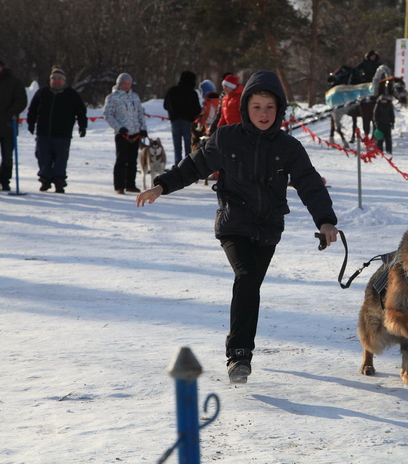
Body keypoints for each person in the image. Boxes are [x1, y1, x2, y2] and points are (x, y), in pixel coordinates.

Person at [136, 70, 339, 384]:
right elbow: (194, 165)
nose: (263, 114)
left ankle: (241, 349)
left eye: (270, 108)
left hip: (269, 228)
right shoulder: (227, 137)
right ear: (246, 108)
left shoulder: (289, 147)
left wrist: (326, 221)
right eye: (257, 107)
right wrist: (161, 186)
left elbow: (310, 185)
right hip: (234, 224)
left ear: (279, 110)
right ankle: (239, 356)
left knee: (251, 286)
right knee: (245, 279)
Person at [27, 66, 87, 193]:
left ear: (64, 81)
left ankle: (59, 182)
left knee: (60, 159)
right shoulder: (42, 93)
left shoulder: (72, 94)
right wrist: (31, 123)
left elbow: (81, 111)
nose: (57, 81)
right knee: (43, 157)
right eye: (54, 79)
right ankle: (45, 180)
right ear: (50, 80)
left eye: (59, 79)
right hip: (43, 132)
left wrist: (83, 126)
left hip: (63, 134)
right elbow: (32, 109)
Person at [0, 55, 27, 192]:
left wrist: (10, 114)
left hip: (7, 126)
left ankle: (5, 181)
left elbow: (21, 100)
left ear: (1, 68)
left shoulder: (14, 82)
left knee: (7, 156)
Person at [103, 73, 148, 194]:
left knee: (132, 160)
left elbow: (140, 113)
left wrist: (143, 128)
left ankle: (130, 184)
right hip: (122, 134)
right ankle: (119, 186)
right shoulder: (112, 97)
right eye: (124, 83)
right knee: (121, 160)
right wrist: (119, 128)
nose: (127, 86)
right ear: (119, 84)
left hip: (135, 133)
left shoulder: (135, 97)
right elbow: (108, 115)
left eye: (129, 83)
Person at [163, 71, 201, 166]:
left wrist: (173, 113)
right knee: (188, 147)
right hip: (189, 123)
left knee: (177, 147)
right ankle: (188, 168)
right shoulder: (192, 93)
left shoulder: (172, 91)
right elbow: (197, 109)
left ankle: (177, 167)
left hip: (175, 122)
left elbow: (165, 105)